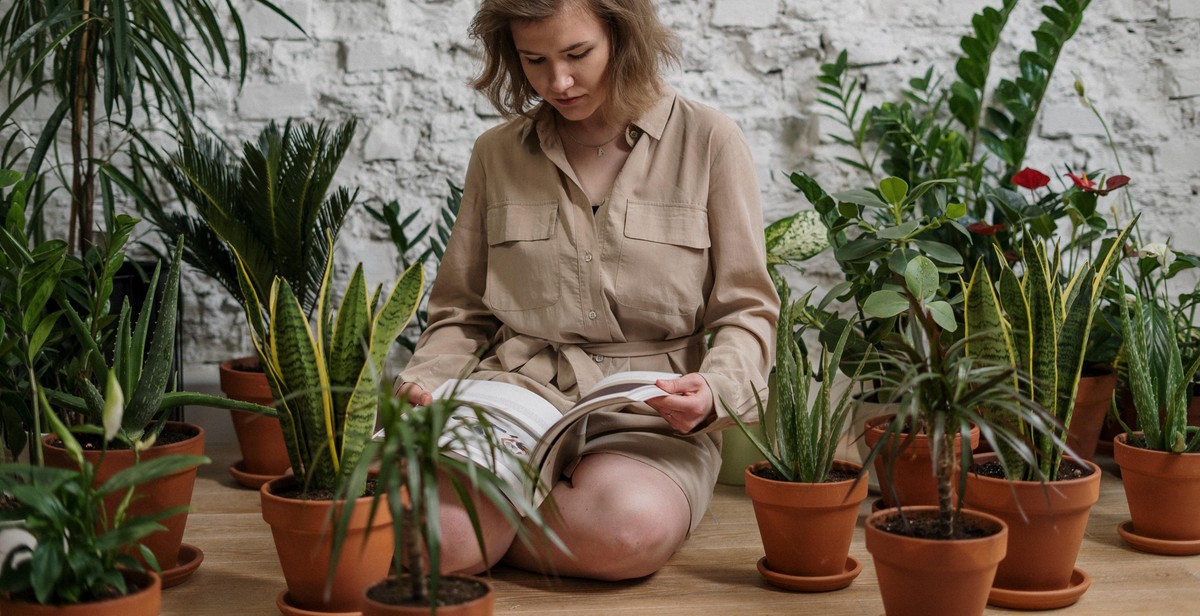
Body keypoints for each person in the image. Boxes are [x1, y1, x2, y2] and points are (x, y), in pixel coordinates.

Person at [395, 0, 778, 581]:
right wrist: (426, 382)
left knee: (624, 531)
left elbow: (747, 309)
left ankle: (489, 525)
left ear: (624, 38)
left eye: (577, 54)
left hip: (648, 416)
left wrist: (713, 393)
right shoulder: (496, 153)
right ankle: (484, 523)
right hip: (514, 395)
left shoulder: (710, 141)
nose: (558, 82)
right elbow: (461, 312)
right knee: (438, 546)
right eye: (534, 61)